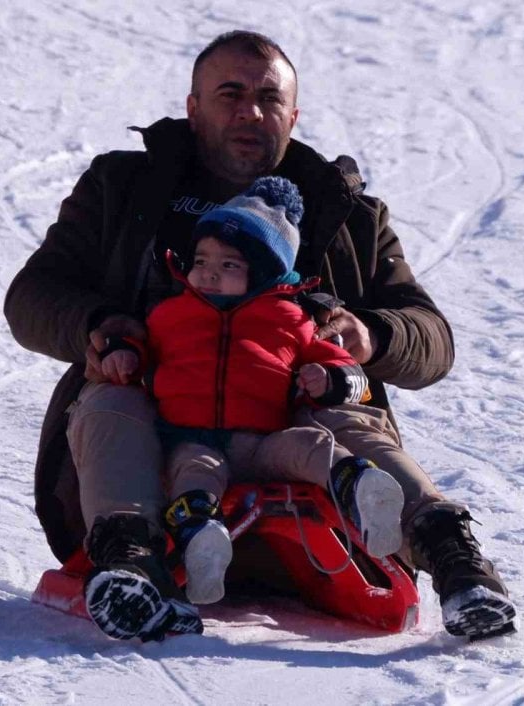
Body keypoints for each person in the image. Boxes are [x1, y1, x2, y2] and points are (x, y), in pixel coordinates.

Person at [4, 30, 516, 642]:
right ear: (193, 106)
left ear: (293, 115)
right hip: (163, 434)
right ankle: (130, 561)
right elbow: (31, 298)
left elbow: (432, 338)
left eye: (269, 97)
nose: (250, 111)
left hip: (297, 436)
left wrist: (371, 337)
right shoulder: (123, 190)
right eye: (230, 93)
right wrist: (100, 329)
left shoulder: (348, 214)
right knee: (114, 398)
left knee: (345, 419)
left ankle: (458, 564)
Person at [94, 176, 404, 628]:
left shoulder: (290, 320)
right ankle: (204, 544)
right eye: (201, 261)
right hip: (190, 437)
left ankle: (360, 488)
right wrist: (121, 352)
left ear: (262, 274)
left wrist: (333, 379)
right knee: (194, 475)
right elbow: (139, 346)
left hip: (263, 442)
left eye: (228, 265)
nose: (209, 273)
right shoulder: (170, 314)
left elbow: (354, 375)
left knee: (309, 445)